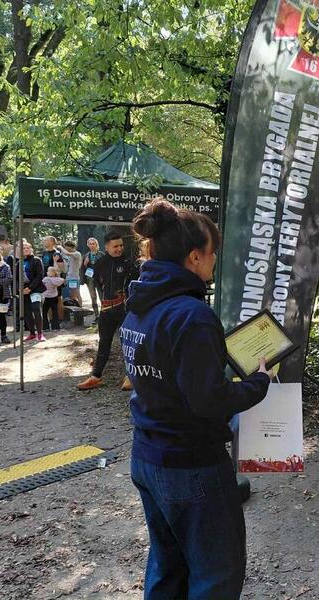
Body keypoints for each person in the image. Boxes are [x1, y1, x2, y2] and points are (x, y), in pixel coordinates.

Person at [123, 198, 272, 600]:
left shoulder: (140, 303)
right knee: (216, 575)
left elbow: (165, 369)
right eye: (212, 255)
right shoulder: (191, 314)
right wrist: (259, 383)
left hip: (147, 455)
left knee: (168, 565)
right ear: (194, 257)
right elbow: (209, 400)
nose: (213, 263)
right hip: (192, 465)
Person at [77, 231, 137, 390]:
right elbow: (93, 280)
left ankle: (130, 376)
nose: (119, 249)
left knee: (128, 344)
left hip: (124, 309)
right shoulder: (100, 262)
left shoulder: (128, 263)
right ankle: (96, 377)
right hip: (106, 310)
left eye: (121, 245)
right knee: (104, 343)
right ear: (107, 247)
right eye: (115, 246)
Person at [13, 240, 46, 342]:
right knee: (26, 311)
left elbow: (39, 275)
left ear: (31, 249)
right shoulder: (19, 263)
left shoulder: (36, 260)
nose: (26, 249)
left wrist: (30, 288)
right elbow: (16, 278)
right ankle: (32, 333)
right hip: (23, 289)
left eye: (28, 248)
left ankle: (40, 333)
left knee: (36, 308)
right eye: (23, 248)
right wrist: (20, 288)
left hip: (35, 288)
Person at [82, 237, 103, 318]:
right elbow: (83, 268)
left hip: (100, 279)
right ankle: (96, 316)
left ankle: (103, 315)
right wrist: (85, 264)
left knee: (102, 297)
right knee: (93, 297)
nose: (92, 245)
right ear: (88, 245)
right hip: (90, 279)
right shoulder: (86, 255)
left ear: (96, 244)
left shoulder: (101, 254)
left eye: (93, 244)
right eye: (90, 244)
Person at [57, 240, 83, 306]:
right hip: (69, 278)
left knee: (77, 295)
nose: (65, 249)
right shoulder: (70, 256)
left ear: (70, 247)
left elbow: (67, 253)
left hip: (74, 278)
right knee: (71, 296)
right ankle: (73, 310)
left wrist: (61, 247)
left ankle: (80, 309)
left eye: (66, 247)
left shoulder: (77, 254)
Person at [42, 266, 65, 331]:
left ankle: (45, 327)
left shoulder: (46, 279)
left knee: (44, 312)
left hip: (46, 298)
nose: (47, 272)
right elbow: (63, 280)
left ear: (51, 273)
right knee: (55, 312)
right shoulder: (57, 279)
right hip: (54, 298)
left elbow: (41, 283)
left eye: (48, 271)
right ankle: (56, 326)